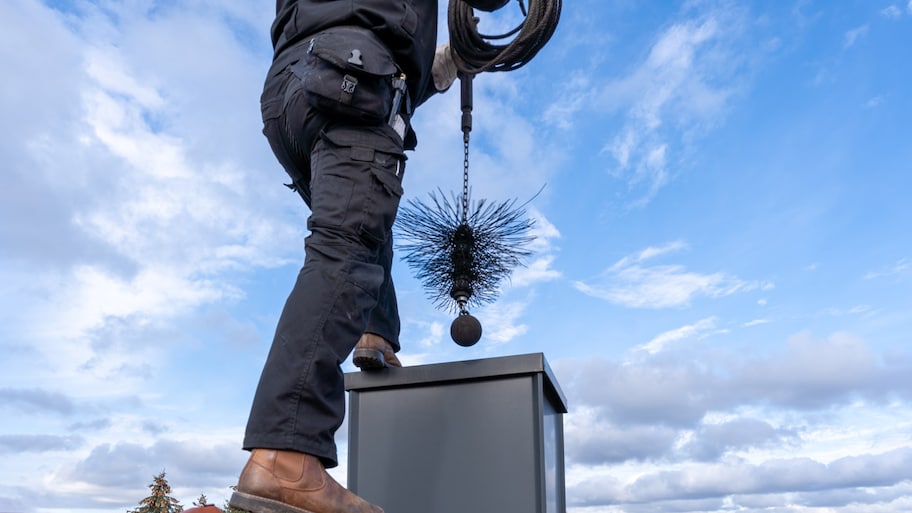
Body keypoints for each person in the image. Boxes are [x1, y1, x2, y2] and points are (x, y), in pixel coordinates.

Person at [229, 2, 457, 513]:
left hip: (292, 90)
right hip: (353, 74)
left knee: (362, 220)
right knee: (346, 246)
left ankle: (376, 332)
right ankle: (284, 456)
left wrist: (440, 67)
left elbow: (362, 19)